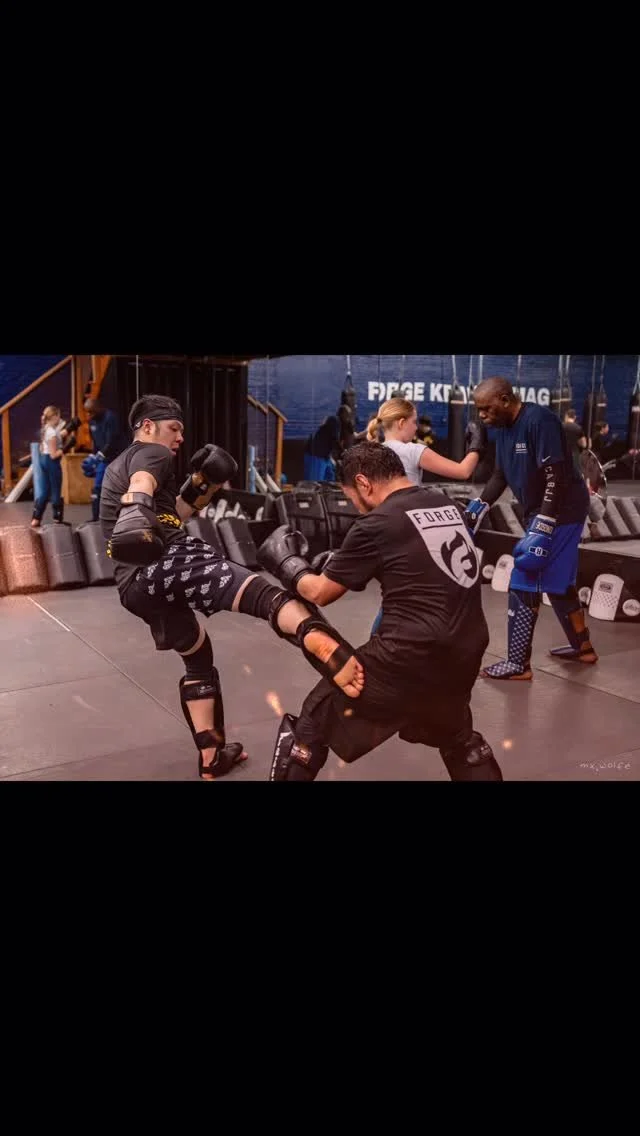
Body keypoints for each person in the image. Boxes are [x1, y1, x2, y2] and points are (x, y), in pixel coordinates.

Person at [99, 394, 364, 780]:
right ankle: (332, 653)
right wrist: (137, 507)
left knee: (197, 654)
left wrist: (202, 485)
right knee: (267, 596)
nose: (179, 438)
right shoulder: (151, 454)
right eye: (174, 429)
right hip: (171, 561)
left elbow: (173, 516)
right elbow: (142, 484)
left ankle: (212, 757)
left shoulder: (117, 468)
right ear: (147, 426)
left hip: (135, 588)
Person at [258, 442, 502, 782]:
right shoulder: (446, 504)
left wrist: (287, 563)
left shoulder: (376, 522)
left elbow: (319, 593)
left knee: (313, 723)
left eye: (352, 497)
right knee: (459, 738)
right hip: (465, 654)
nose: (356, 507)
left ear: (363, 482)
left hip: (406, 657)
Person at [465, 377, 598, 680]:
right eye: (478, 410)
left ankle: (518, 664)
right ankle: (583, 647)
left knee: (525, 573)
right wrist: (478, 507)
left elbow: (556, 476)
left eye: (486, 409)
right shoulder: (502, 429)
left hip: (562, 510)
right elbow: (500, 475)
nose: (482, 416)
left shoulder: (540, 421)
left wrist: (545, 523)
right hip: (541, 511)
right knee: (558, 582)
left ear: (505, 400)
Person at [366, 397, 487, 634]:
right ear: (401, 423)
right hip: (411, 530)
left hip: (384, 530)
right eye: (414, 422)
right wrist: (477, 445)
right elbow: (463, 471)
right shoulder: (413, 451)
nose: (416, 428)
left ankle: (382, 641)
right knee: (423, 588)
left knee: (397, 592)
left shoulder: (372, 451)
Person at [83, 398, 127, 522]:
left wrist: (100, 455)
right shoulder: (92, 422)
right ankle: (95, 518)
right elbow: (95, 442)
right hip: (104, 459)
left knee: (118, 488)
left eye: (91, 412)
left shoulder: (110, 418)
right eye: (87, 412)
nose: (89, 415)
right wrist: (93, 457)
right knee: (97, 487)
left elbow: (112, 440)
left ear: (98, 408)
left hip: (118, 457)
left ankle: (121, 517)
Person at [31, 405, 66, 528]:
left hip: (43, 460)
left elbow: (55, 437)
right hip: (51, 462)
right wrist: (65, 448)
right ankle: (57, 519)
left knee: (45, 491)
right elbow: (53, 454)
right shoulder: (51, 432)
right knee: (56, 489)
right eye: (59, 416)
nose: (60, 419)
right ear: (55, 416)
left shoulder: (46, 428)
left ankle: (36, 518)